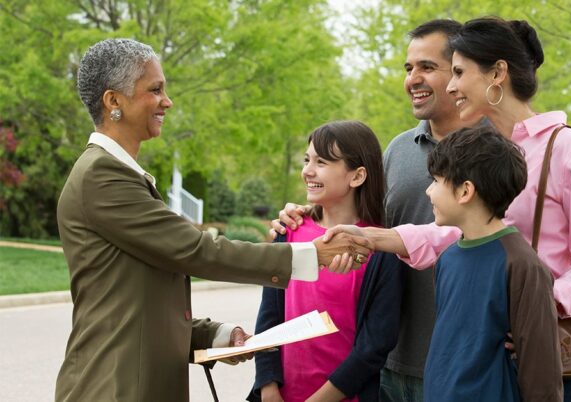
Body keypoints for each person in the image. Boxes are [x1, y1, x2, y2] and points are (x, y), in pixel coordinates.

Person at [273, 19, 571, 402]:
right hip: (470, 357)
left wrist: (537, 312)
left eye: (457, 72)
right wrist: (341, 225)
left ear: (497, 73)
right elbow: (456, 233)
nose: (451, 86)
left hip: (539, 356)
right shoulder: (476, 150)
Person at [55, 38, 371, 402]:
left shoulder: (118, 173)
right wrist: (311, 254)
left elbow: (135, 305)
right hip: (112, 387)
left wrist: (216, 335)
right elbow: (196, 250)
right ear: (114, 101)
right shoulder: (102, 175)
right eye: (155, 90)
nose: (167, 101)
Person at [247, 121, 405, 402]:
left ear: (356, 176)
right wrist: (268, 388)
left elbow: (375, 346)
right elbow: (268, 319)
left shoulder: (380, 249)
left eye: (322, 162)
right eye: (307, 160)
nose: (308, 171)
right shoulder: (288, 233)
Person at [423, 125, 562, 401]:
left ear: (465, 191)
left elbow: (541, 370)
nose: (429, 191)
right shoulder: (447, 258)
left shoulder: (523, 265)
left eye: (436, 181)